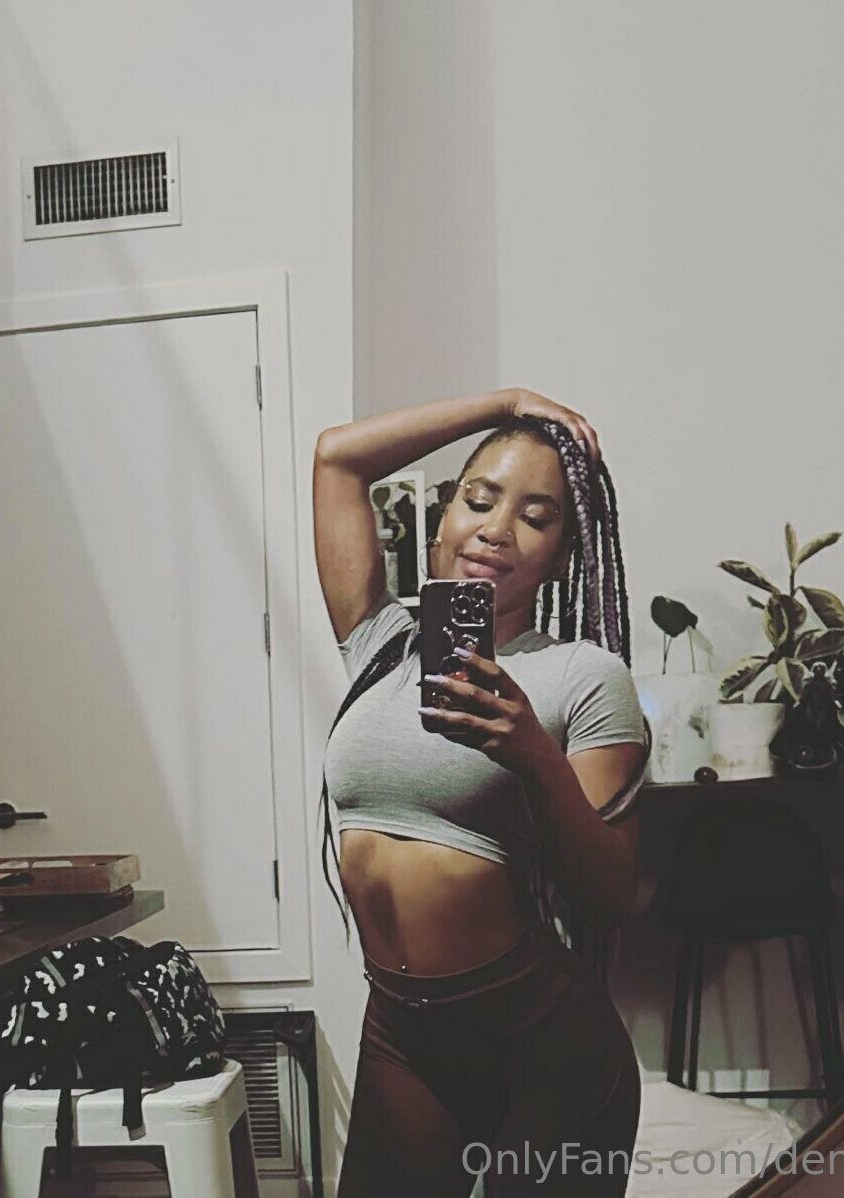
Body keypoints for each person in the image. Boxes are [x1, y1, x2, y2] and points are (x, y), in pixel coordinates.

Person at [313, 388, 652, 1196]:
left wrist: (533, 752)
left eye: (536, 517)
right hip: (402, 1035)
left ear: (563, 555)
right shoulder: (380, 642)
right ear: (441, 518)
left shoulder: (582, 677)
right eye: (478, 499)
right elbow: (336, 458)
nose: (497, 529)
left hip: (543, 1043)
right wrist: (505, 403)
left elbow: (609, 894)